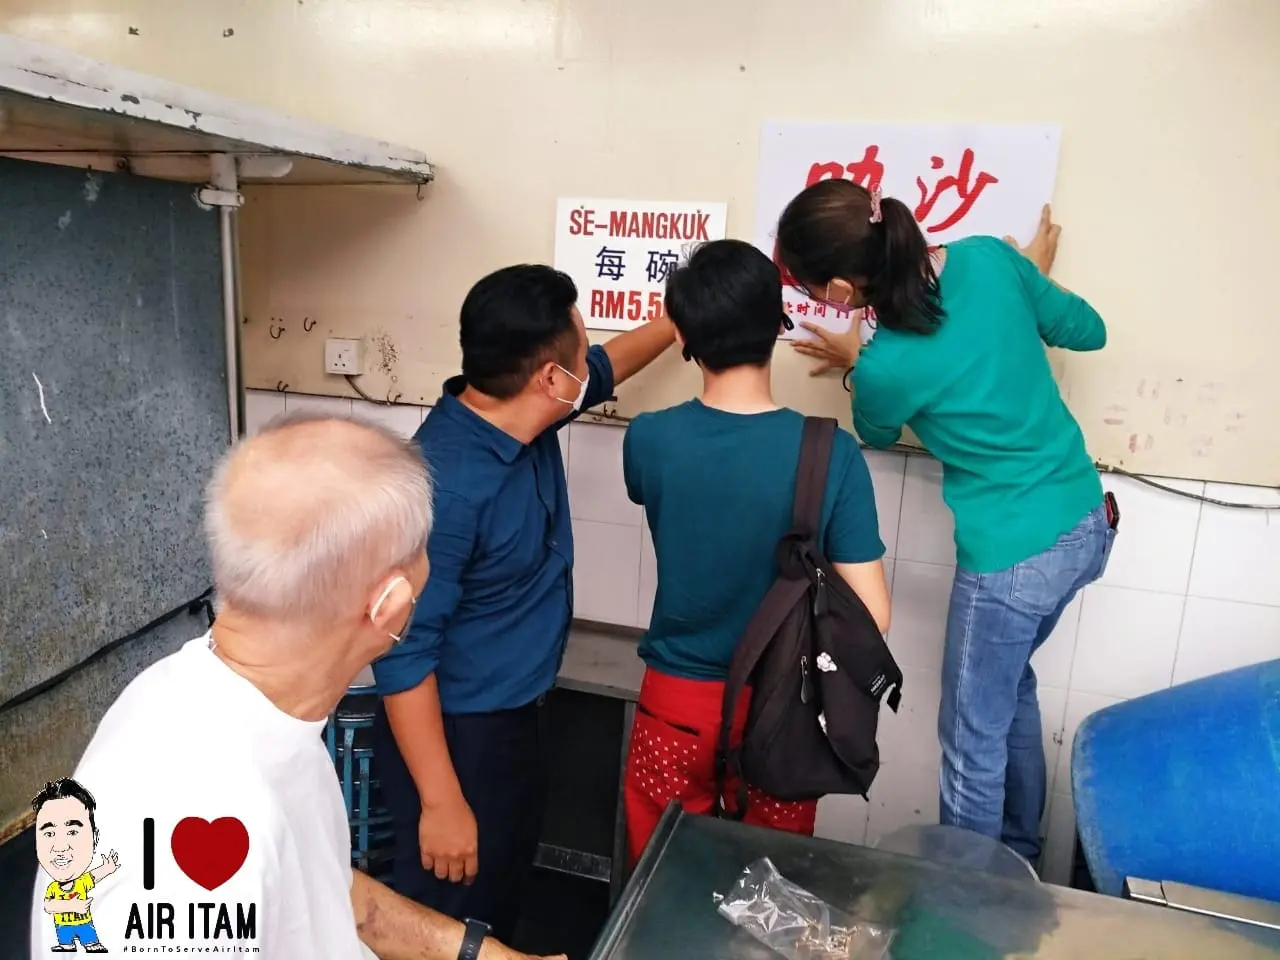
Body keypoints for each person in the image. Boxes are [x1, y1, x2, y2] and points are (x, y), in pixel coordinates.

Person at [30, 412, 560, 960]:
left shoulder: (205, 700)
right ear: (390, 604)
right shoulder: (190, 835)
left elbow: (327, 891)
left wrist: (481, 954)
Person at [774, 181, 1114, 865]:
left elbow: (874, 428)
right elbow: (1088, 329)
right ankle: (1015, 857)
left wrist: (860, 361)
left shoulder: (889, 364)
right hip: (1086, 523)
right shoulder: (990, 258)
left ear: (841, 291)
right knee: (1010, 691)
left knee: (970, 740)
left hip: (1011, 559)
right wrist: (1024, 284)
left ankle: (967, 905)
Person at [372, 264, 676, 939]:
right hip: (454, 736)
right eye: (577, 347)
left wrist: (678, 319)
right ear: (546, 379)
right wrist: (441, 800)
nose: (587, 358)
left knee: (499, 898)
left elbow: (603, 367)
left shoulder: (524, 416)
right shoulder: (444, 487)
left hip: (515, 719)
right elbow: (403, 655)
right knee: (443, 919)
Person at [619, 239, 891, 865]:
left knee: (661, 890)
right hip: (783, 713)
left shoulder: (650, 439)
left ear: (685, 335)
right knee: (770, 900)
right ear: (777, 323)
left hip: (675, 708)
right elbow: (872, 616)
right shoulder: (833, 453)